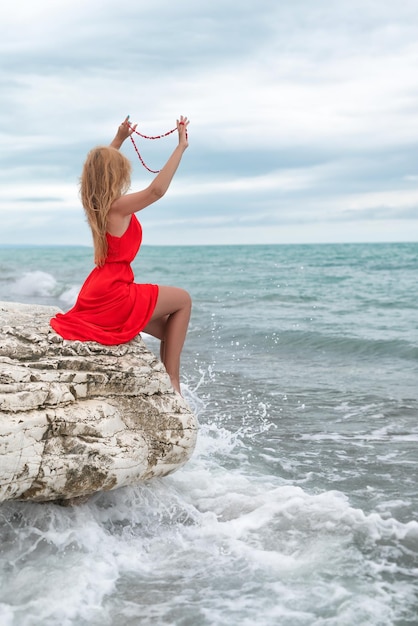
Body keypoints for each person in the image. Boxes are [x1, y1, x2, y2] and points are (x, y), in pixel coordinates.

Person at [50, 115, 191, 395]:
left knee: (168, 331)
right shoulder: (117, 207)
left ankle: (168, 381)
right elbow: (157, 190)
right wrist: (180, 147)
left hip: (98, 289)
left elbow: (95, 171)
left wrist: (119, 138)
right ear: (116, 175)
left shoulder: (95, 204)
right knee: (183, 300)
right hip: (114, 291)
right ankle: (173, 382)